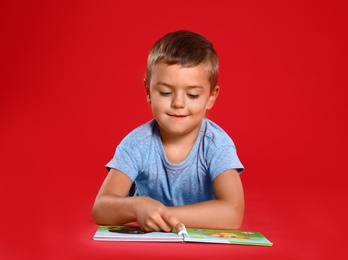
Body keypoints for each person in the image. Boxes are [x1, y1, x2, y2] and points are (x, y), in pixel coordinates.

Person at [92, 30, 244, 233]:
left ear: (210, 97)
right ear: (148, 91)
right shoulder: (136, 144)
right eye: (165, 92)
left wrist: (161, 215)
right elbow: (100, 208)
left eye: (192, 95)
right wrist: (137, 206)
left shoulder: (217, 144)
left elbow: (232, 213)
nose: (178, 103)